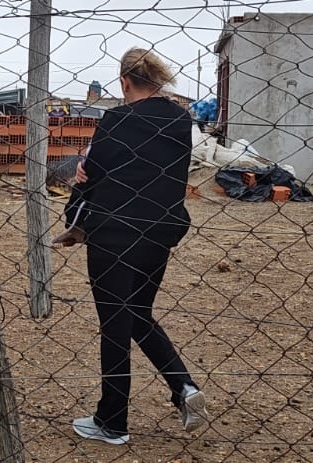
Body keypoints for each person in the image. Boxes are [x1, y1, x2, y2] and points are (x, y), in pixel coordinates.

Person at [53, 47, 207, 445]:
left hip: (113, 233)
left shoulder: (116, 119)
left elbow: (92, 173)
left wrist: (76, 208)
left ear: (124, 83)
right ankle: (184, 386)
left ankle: (112, 420)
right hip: (159, 229)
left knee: (115, 324)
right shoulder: (180, 120)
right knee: (138, 311)